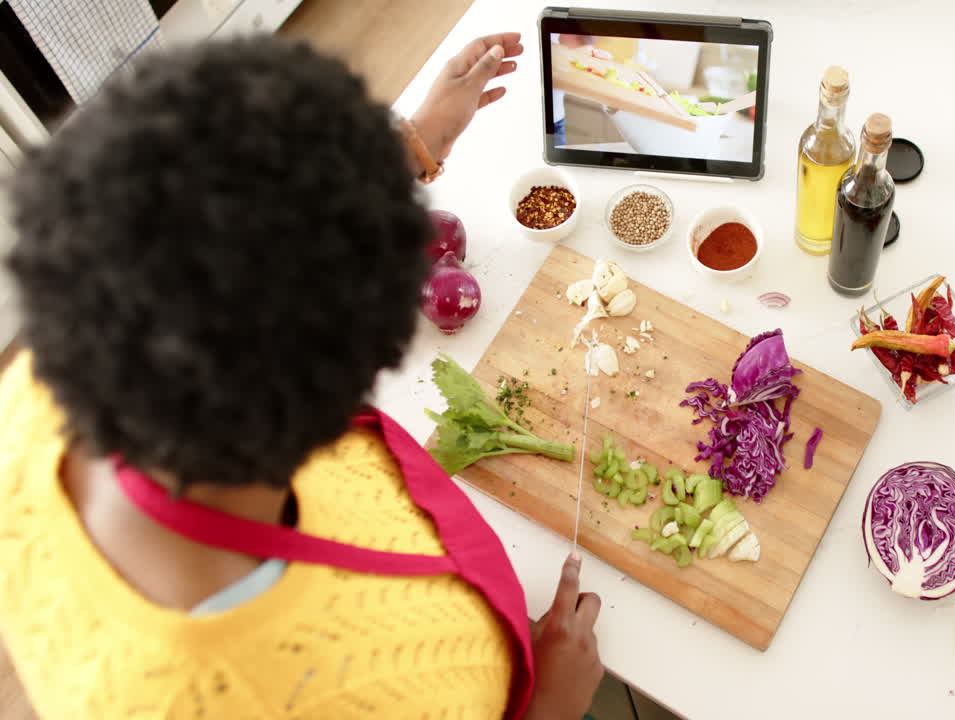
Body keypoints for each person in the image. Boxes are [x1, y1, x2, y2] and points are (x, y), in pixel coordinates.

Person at [0, 33, 603, 719]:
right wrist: (550, 706)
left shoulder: (41, 386)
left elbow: (214, 237)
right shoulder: (305, 696)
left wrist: (407, 146)